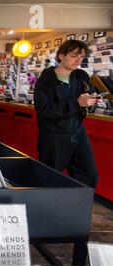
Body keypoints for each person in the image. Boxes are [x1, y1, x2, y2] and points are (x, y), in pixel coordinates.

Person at [34, 40, 98, 188]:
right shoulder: (46, 80)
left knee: (89, 176)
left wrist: (92, 99)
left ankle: (77, 208)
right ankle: (47, 209)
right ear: (61, 56)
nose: (78, 60)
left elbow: (89, 94)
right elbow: (44, 110)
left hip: (78, 133)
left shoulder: (81, 75)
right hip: (54, 136)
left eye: (81, 56)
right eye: (74, 55)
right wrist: (77, 103)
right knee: (50, 177)